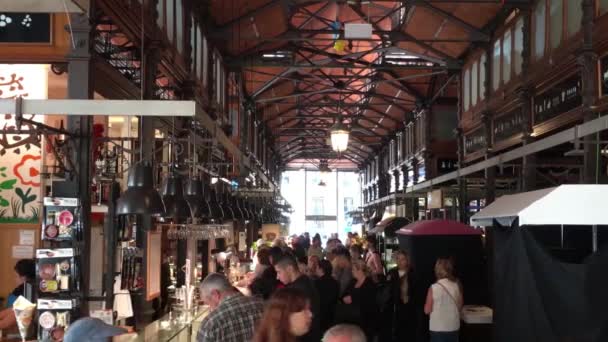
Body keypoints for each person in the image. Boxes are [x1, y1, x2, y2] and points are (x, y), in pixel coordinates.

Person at [197, 273, 264, 342]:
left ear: (215, 295)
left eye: (208, 303)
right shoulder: (263, 306)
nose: (210, 308)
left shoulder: (210, 323)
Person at [275, 256, 321, 342]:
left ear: (289, 269)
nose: (277, 277)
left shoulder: (297, 290)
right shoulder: (305, 280)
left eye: (279, 272)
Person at [424, 258, 463, 342]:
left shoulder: (433, 288)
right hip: (454, 326)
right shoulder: (456, 286)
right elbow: (460, 307)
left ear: (437, 270)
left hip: (438, 328)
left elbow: (427, 310)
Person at [339, 260, 378, 341]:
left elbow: (369, 302)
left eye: (353, 269)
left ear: (360, 270)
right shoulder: (353, 281)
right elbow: (343, 295)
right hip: (351, 318)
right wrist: (345, 299)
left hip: (365, 320)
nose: (352, 271)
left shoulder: (369, 283)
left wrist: (353, 299)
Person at [385, 250, 416, 341]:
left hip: (409, 310)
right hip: (394, 310)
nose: (399, 261)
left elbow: (416, 293)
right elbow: (388, 291)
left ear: (407, 260)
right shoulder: (392, 273)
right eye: (398, 259)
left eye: (402, 259)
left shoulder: (412, 274)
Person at [0, 259, 35, 331]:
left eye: (16, 276)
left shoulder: (28, 290)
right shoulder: (27, 288)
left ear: (24, 277)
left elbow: (16, 313)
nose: (14, 279)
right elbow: (13, 310)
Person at [314, 259, 339, 333]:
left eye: (317, 267)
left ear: (321, 269)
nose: (315, 270)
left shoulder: (317, 283)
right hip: (332, 314)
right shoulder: (335, 282)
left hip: (320, 315)